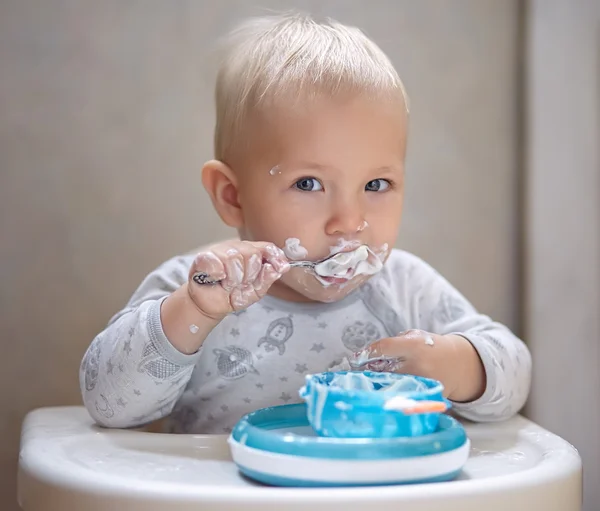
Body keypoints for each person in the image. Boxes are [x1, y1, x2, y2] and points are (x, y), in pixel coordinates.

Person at [80, 13, 531, 434]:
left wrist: (458, 366)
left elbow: (515, 371)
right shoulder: (194, 288)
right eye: (309, 183)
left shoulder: (407, 290)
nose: (349, 222)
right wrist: (192, 313)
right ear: (232, 196)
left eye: (376, 184)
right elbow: (108, 403)